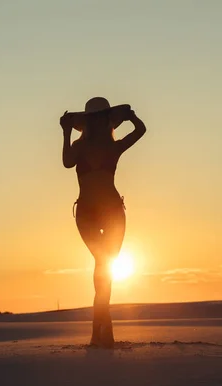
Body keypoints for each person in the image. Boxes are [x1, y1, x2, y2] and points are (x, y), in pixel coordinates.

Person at [60, 97, 147, 348]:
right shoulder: (80, 146)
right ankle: (102, 329)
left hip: (112, 212)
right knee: (102, 263)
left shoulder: (114, 147)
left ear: (106, 121)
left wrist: (131, 116)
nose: (97, 123)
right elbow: (67, 162)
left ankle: (101, 330)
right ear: (87, 122)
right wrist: (66, 133)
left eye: (101, 118)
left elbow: (140, 130)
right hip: (87, 212)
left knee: (105, 265)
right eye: (93, 119)